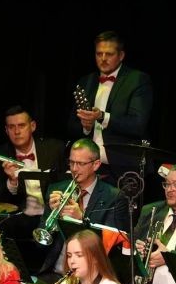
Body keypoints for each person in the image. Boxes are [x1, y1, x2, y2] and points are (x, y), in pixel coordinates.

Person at [36, 138, 130, 280]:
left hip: (92, 277)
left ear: (96, 165)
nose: (74, 169)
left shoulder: (114, 197)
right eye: (71, 162)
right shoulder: (56, 189)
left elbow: (109, 247)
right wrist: (52, 216)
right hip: (55, 273)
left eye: (80, 164)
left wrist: (81, 219)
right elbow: (40, 244)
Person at [65, 30, 153, 177]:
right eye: (99, 54)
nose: (103, 59)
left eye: (109, 54)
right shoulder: (86, 81)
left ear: (121, 55)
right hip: (90, 168)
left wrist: (102, 116)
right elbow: (71, 126)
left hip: (122, 167)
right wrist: (86, 127)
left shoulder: (137, 80)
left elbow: (137, 125)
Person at [0, 105, 67, 248]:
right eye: (11, 127)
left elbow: (66, 182)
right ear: (6, 130)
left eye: (21, 125)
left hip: (50, 217)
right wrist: (12, 181)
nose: (17, 131)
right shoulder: (1, 155)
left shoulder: (54, 148)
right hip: (20, 221)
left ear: (32, 126)